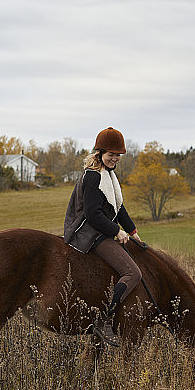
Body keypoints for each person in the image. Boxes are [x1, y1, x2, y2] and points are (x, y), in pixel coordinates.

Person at [64, 127, 144, 347]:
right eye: (111, 155)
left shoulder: (109, 175)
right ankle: (104, 320)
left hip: (100, 229)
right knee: (132, 272)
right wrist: (116, 231)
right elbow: (92, 214)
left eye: (118, 155)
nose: (115, 159)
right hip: (86, 231)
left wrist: (133, 232)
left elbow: (118, 208)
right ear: (99, 153)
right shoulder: (92, 177)